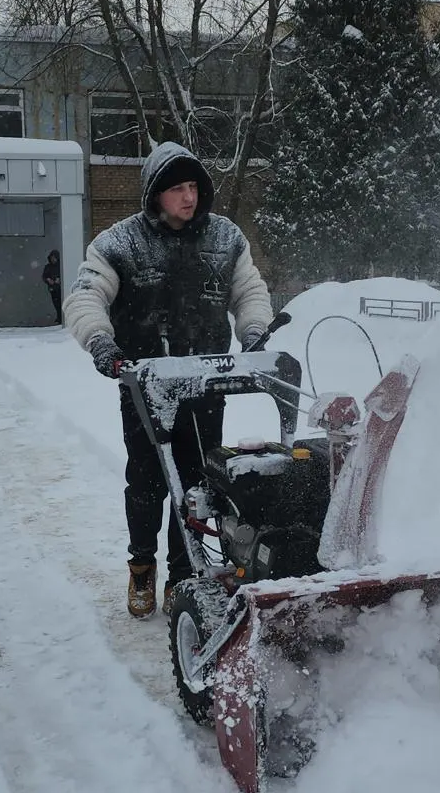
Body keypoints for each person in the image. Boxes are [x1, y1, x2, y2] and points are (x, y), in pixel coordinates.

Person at [63, 142, 274, 618]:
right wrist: (101, 343)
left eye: (194, 187)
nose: (189, 197)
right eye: (177, 188)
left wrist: (254, 330)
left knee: (199, 483)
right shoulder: (120, 243)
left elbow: (250, 291)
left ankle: (184, 574)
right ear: (155, 194)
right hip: (145, 384)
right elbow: (85, 296)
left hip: (206, 383)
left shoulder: (225, 238)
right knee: (147, 481)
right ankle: (142, 566)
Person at [41, 250, 62, 321]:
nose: (53, 259)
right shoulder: (48, 267)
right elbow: (44, 276)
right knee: (56, 304)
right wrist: (48, 280)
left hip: (61, 289)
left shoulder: (61, 266)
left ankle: (61, 318)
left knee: (61, 303)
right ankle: (59, 317)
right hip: (53, 289)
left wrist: (60, 280)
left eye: (54, 258)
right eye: (51, 258)